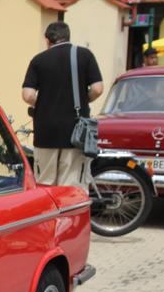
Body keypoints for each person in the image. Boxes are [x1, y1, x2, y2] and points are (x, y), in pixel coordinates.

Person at [21, 22, 103, 188]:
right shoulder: (85, 56)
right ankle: (69, 214)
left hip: (45, 132)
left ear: (47, 40)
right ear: (68, 36)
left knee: (45, 183)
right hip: (75, 133)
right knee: (71, 185)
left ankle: (50, 213)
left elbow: (28, 95)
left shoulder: (38, 60)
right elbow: (97, 89)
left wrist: (44, 103)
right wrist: (81, 101)